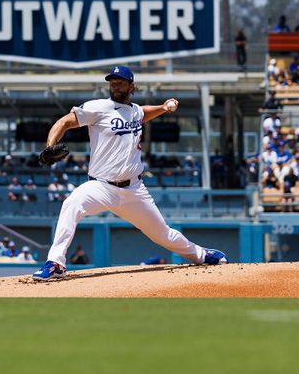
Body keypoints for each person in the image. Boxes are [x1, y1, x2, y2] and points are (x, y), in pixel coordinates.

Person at [29, 65, 227, 281]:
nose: (115, 85)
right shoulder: (99, 107)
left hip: (134, 189)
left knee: (162, 233)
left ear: (131, 85)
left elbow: (143, 113)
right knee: (71, 204)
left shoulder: (134, 110)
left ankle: (202, 255)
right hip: (101, 186)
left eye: (120, 81)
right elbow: (64, 121)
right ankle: (56, 262)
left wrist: (163, 107)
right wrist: (50, 146)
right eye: (112, 81)